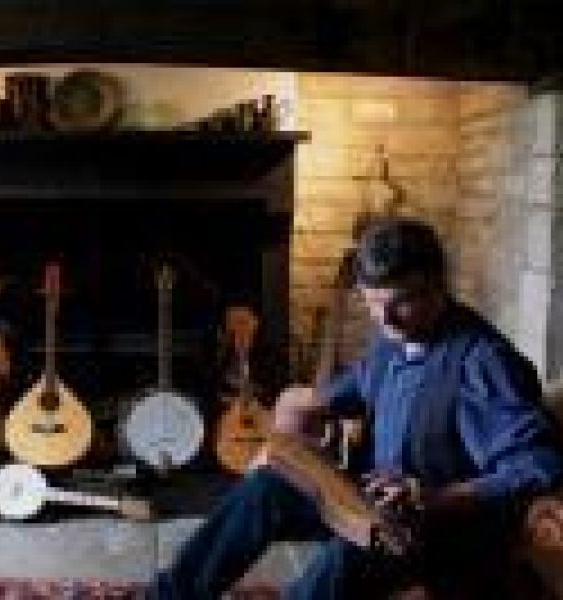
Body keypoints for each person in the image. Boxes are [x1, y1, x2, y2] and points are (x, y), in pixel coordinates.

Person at [148, 217, 563, 599]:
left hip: (439, 527)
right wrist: (293, 426)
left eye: (399, 302)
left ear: (436, 285)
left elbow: (536, 465)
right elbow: (355, 386)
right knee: (265, 488)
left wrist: (434, 497)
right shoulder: (393, 338)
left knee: (347, 554)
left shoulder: (483, 363)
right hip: (371, 501)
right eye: (372, 302)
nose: (386, 319)